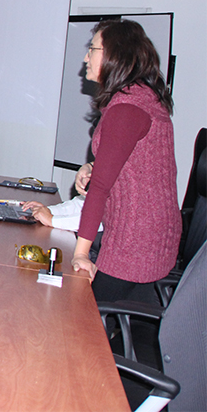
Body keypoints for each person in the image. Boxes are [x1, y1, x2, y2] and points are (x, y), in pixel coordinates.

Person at [69, 19, 181, 303]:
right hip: (148, 238)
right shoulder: (139, 97)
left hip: (135, 245)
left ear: (115, 55)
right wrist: (92, 167)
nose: (86, 58)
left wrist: (81, 255)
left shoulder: (127, 109)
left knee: (77, 314)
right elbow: (135, 162)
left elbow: (102, 188)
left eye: (92, 49)